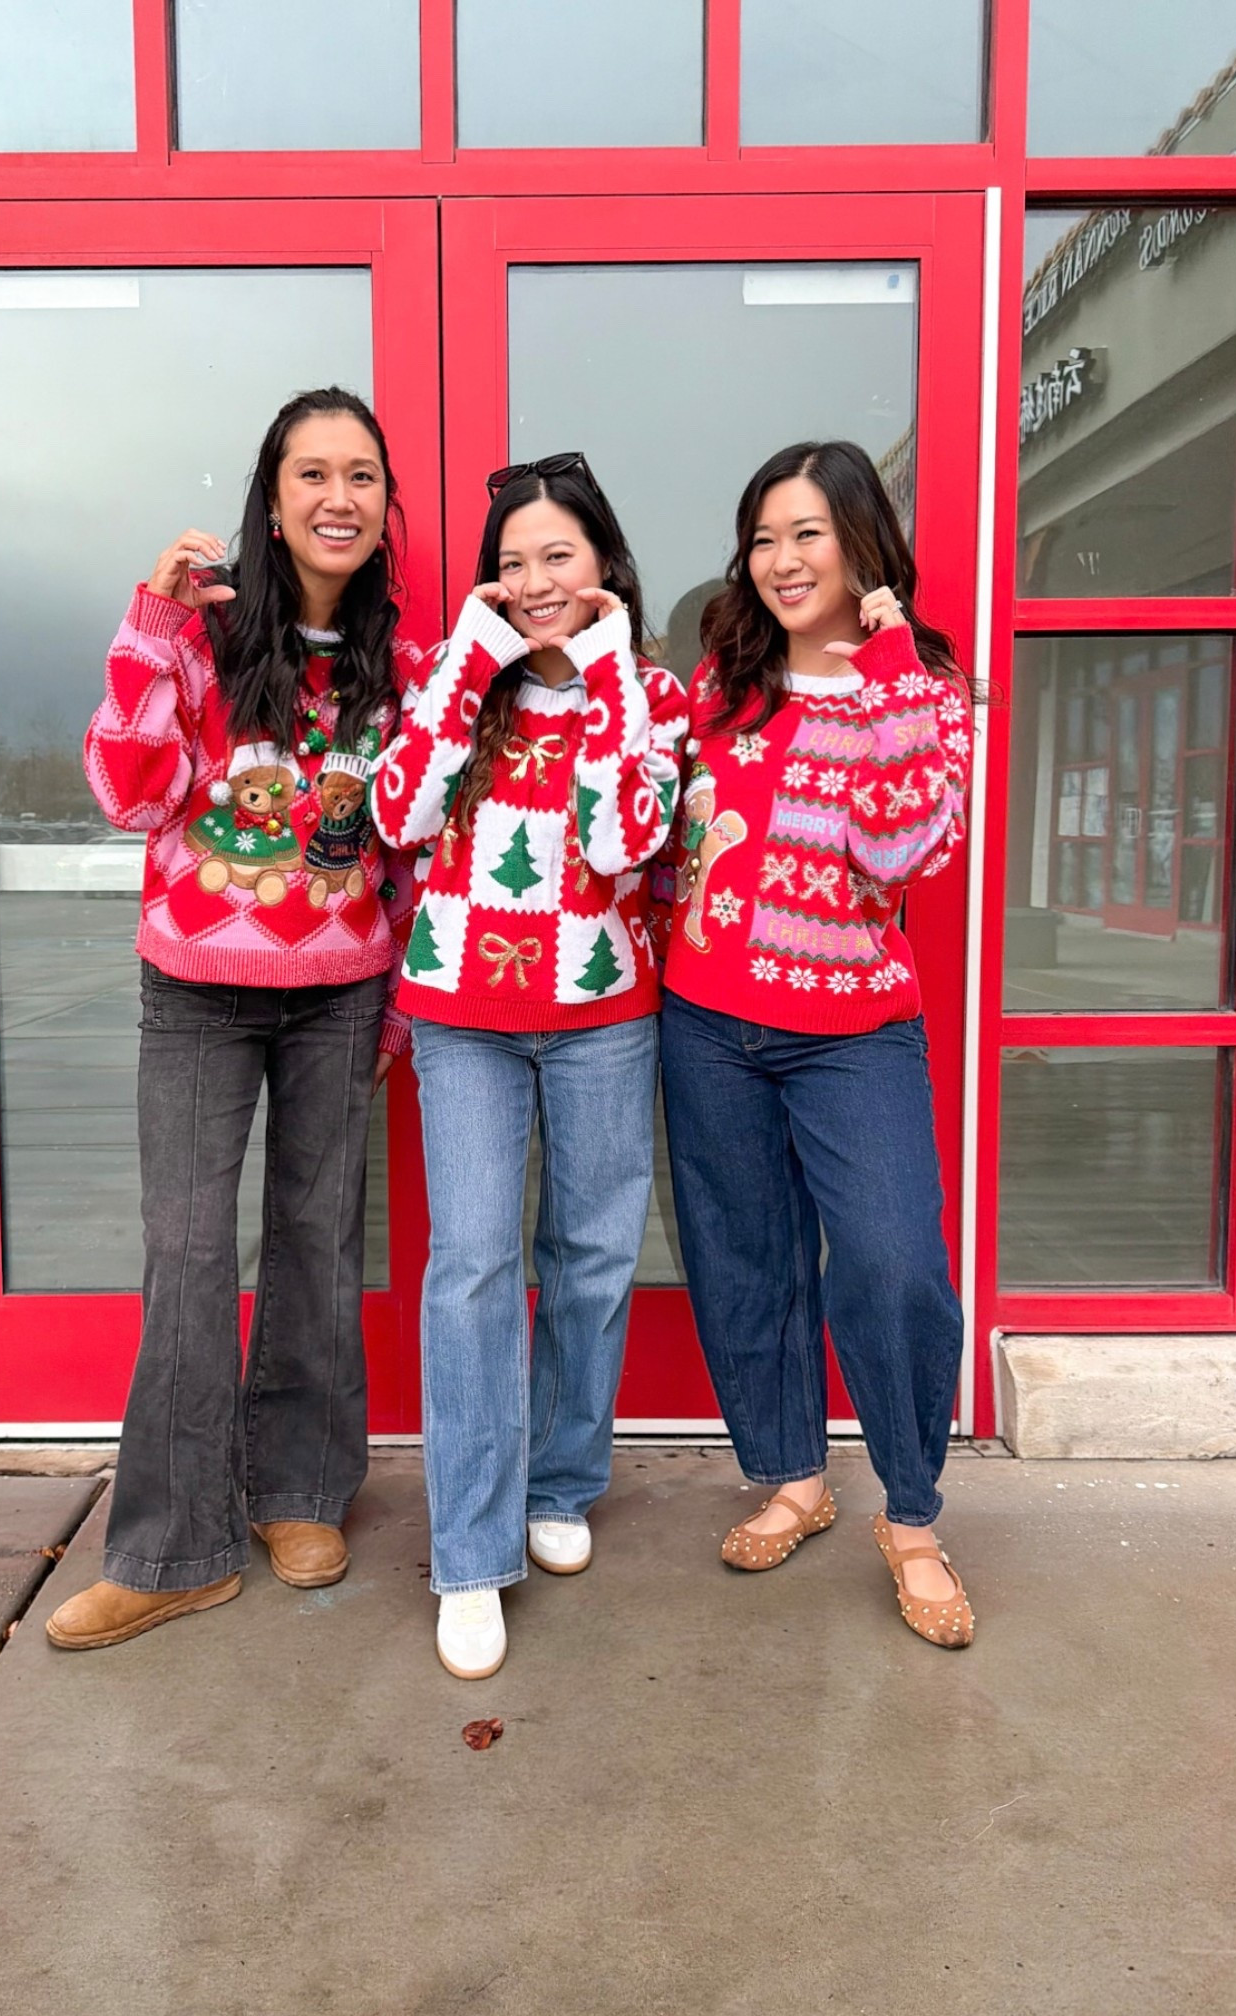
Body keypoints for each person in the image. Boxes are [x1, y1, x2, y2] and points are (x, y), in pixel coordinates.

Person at [47, 387, 418, 1650]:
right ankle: (170, 1548)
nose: (336, 496)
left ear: (383, 505)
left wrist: (401, 997)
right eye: (311, 473)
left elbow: (413, 840)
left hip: (342, 990)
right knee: (192, 1257)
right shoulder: (201, 637)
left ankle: (302, 1491)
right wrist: (149, 623)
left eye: (360, 475)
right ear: (272, 499)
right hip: (198, 989)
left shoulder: (401, 661)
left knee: (317, 1246)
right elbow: (126, 789)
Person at [371, 454, 688, 1679]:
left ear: (603, 564)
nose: (535, 581)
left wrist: (605, 670)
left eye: (559, 555)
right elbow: (398, 815)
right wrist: (468, 658)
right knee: (472, 1268)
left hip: (604, 1013)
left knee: (596, 1254)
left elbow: (621, 843)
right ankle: (469, 1551)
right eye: (511, 563)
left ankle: (562, 1480)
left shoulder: (648, 692)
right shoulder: (462, 683)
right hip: (462, 1017)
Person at [659, 440, 977, 1648]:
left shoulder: (922, 686)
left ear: (858, 540)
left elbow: (904, 855)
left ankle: (911, 1514)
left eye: (809, 534)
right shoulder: (724, 682)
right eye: (764, 538)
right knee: (748, 1260)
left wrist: (888, 666)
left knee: (895, 1262)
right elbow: (669, 829)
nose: (784, 561)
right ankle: (793, 1477)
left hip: (852, 1030)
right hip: (707, 1018)